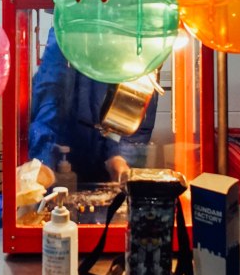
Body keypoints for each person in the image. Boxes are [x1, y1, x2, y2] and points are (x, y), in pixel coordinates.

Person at [25, 27, 158, 186]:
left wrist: (119, 156)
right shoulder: (67, 34)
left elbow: (137, 108)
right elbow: (49, 103)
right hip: (63, 163)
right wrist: (42, 161)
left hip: (111, 175)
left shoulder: (139, 41)